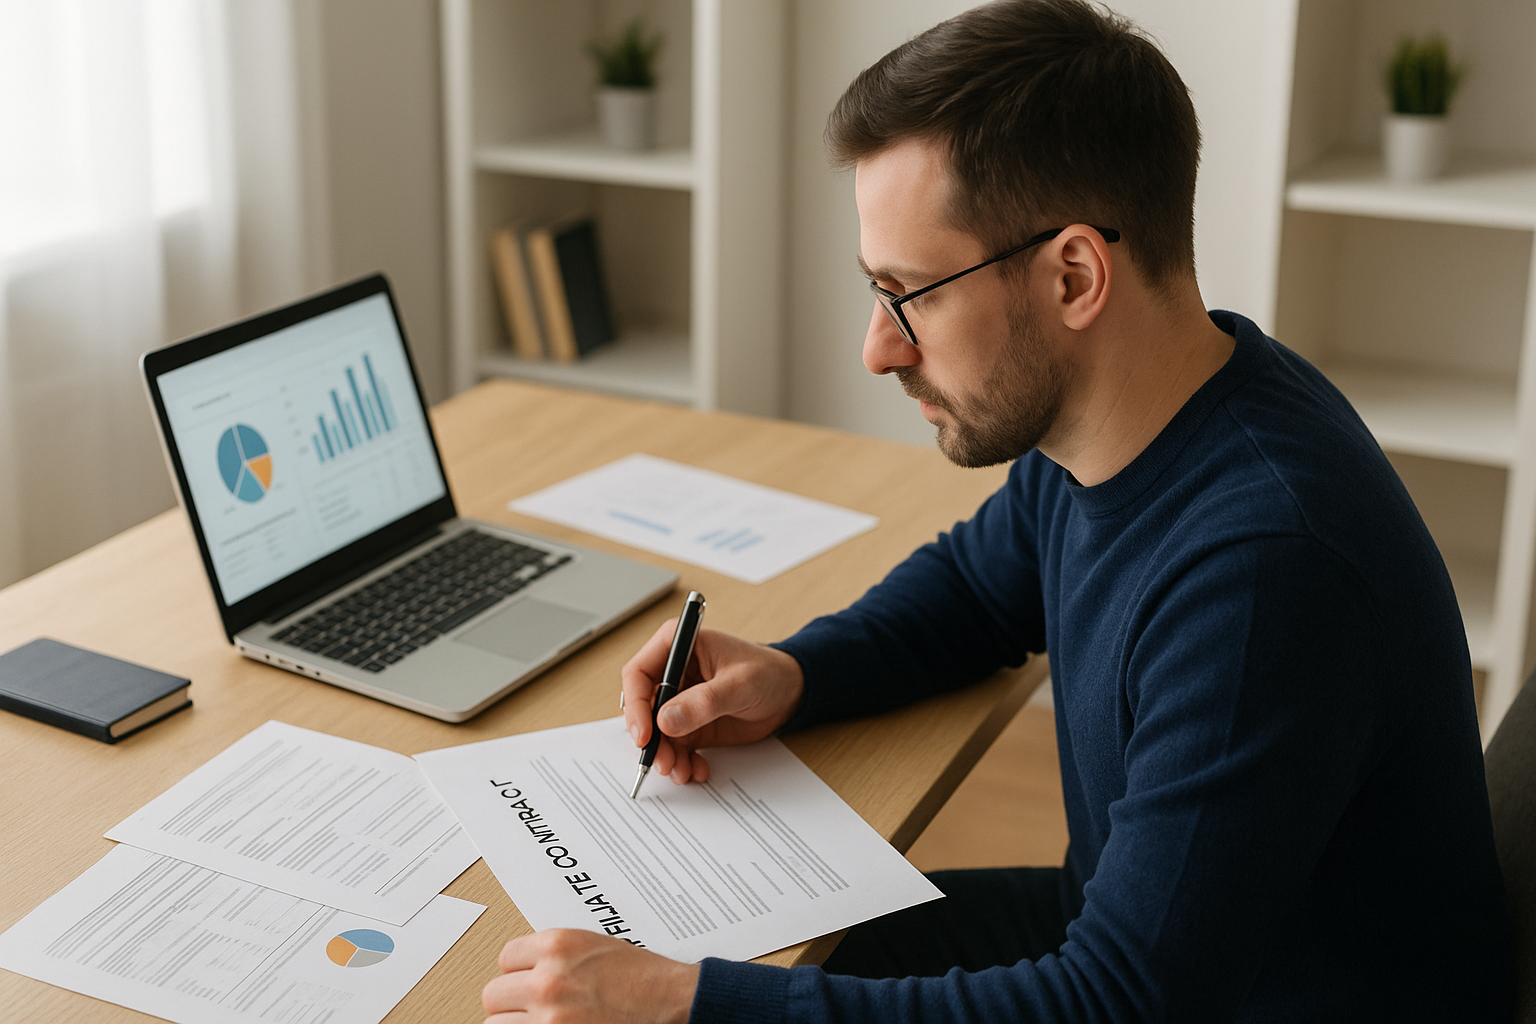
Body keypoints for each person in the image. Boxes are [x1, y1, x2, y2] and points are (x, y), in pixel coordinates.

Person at [481, 1, 1516, 1021]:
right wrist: (800, 672)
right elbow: (979, 588)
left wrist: (683, 1008)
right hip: (1151, 949)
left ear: (1074, 274)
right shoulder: (1143, 408)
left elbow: (1116, 1003)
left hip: (1248, 998)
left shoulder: (1265, 566)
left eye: (910, 294)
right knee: (749, 947)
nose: (877, 348)